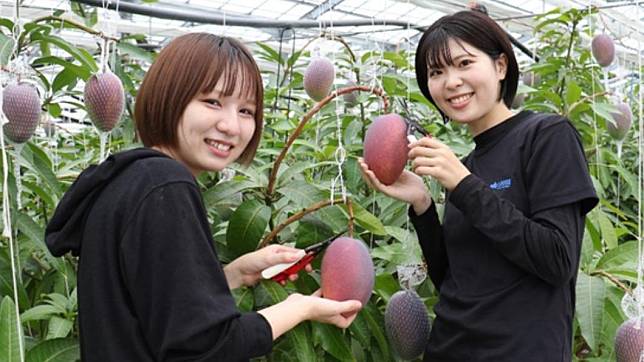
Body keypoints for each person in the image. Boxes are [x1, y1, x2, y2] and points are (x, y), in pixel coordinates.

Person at [45, 33, 361, 361]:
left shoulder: (129, 180)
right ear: (171, 95)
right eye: (212, 101)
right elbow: (207, 348)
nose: (231, 126)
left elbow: (148, 308)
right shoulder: (167, 185)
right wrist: (299, 307)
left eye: (246, 111)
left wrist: (231, 275)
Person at [359, 10, 598, 362]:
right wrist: (423, 204)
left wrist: (465, 186)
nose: (451, 81)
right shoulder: (466, 165)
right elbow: (454, 281)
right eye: (436, 72)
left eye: (464, 63)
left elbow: (558, 260)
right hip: (448, 349)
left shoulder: (547, 136)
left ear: (500, 67)